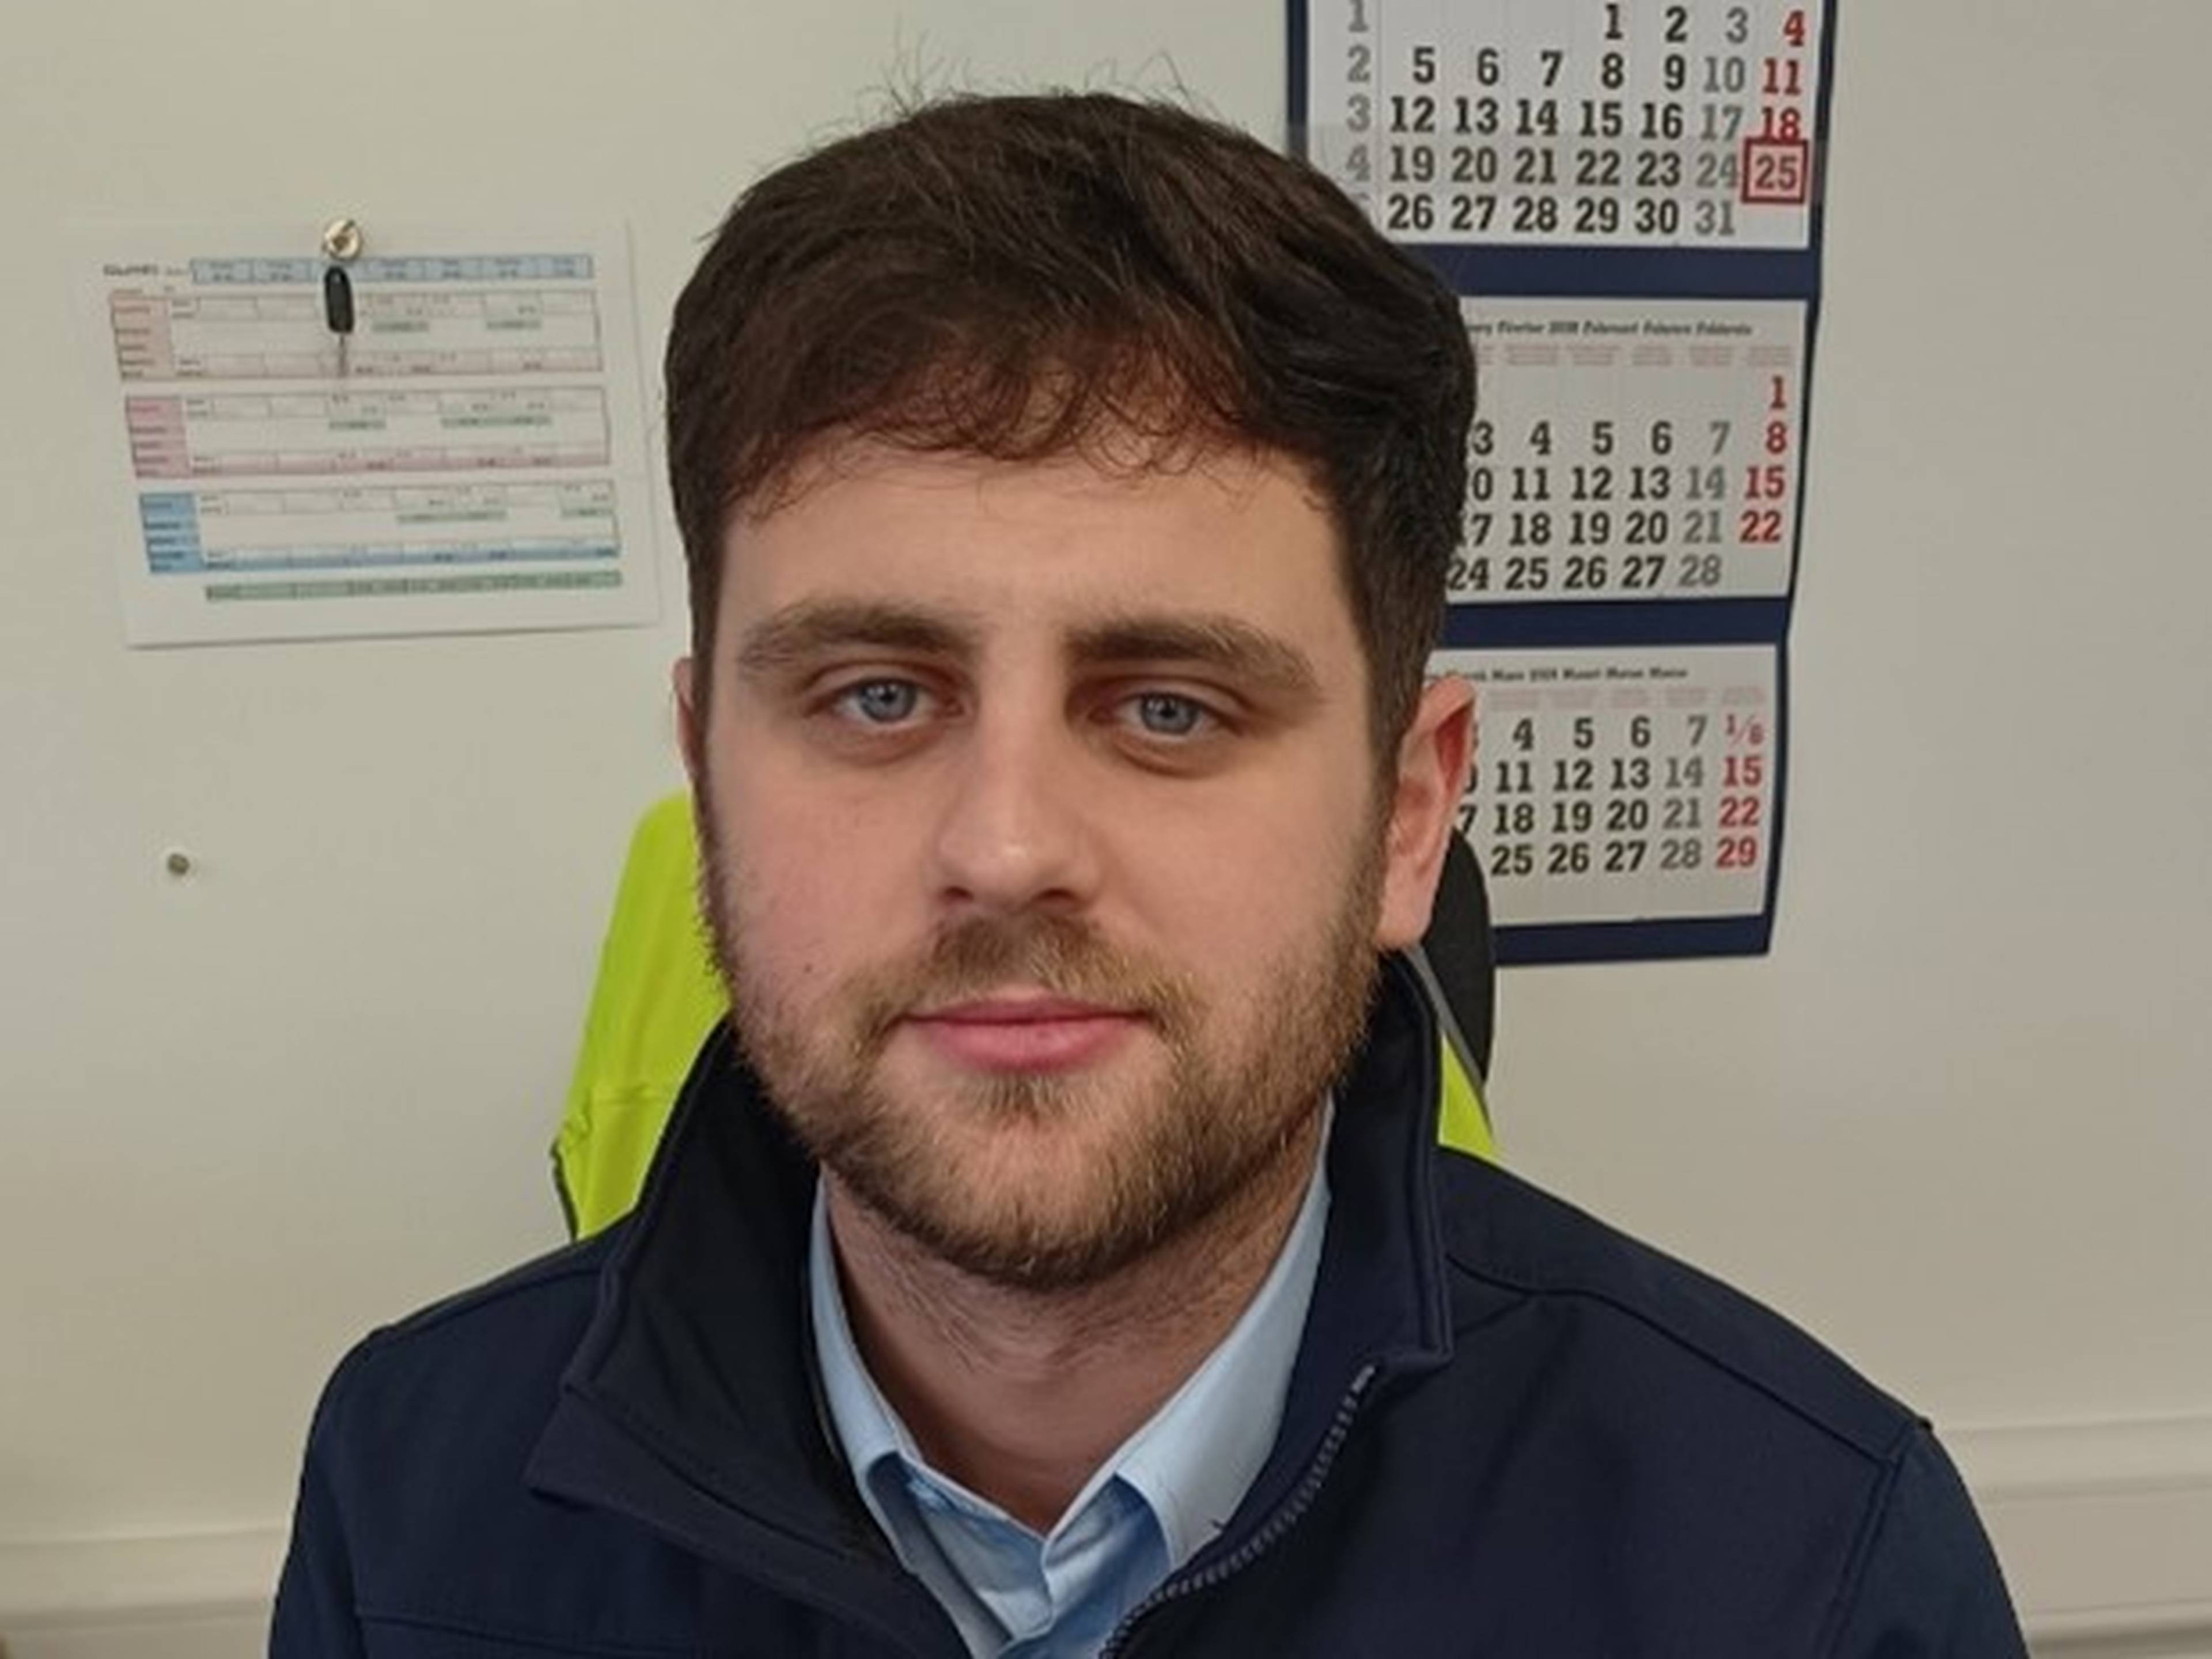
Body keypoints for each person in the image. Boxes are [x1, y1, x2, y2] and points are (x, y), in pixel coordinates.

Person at [271, 92, 2027, 1657]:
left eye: (1170, 708)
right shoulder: (416, 1497)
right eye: (877, 696)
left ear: (1409, 816)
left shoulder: (1806, 1570)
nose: (1008, 850)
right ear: (706, 774)